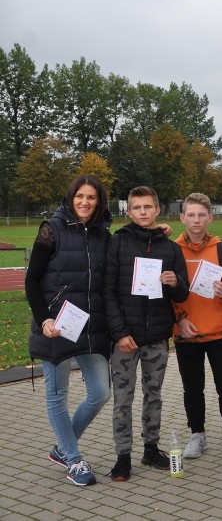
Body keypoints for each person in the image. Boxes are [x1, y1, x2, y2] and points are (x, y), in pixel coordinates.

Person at [25, 175, 113, 486]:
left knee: (101, 392)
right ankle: (74, 460)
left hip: (91, 326)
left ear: (99, 201)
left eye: (92, 197)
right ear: (71, 196)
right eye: (80, 196)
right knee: (57, 393)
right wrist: (45, 319)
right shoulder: (51, 229)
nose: (85, 202)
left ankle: (64, 447)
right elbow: (32, 281)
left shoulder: (104, 232)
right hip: (56, 326)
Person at [104, 186, 189, 481]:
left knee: (153, 395)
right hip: (126, 340)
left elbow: (183, 292)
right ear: (129, 211)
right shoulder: (118, 243)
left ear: (157, 210)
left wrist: (174, 280)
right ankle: (123, 456)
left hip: (157, 337)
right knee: (122, 399)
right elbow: (109, 292)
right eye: (137, 207)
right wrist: (119, 333)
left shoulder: (171, 247)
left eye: (148, 207)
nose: (143, 212)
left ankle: (150, 448)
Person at [171, 193, 222, 461]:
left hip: (219, 332)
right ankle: (198, 435)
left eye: (201, 215)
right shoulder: (172, 249)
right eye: (191, 215)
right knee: (192, 389)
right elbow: (165, 292)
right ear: (182, 217)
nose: (196, 220)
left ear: (210, 217)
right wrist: (179, 321)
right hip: (186, 332)